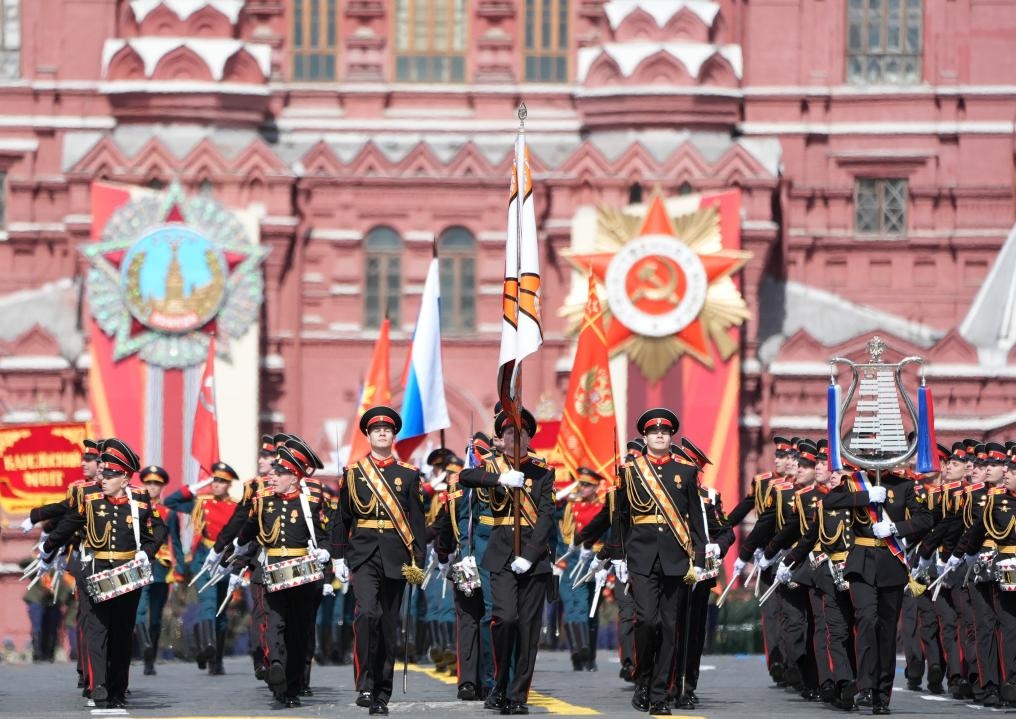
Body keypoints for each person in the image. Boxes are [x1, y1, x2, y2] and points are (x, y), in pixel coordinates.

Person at [38, 438, 166, 709]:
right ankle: (98, 686)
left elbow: (158, 530)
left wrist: (148, 551)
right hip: (94, 572)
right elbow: (68, 523)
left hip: (127, 575)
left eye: (110, 474)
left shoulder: (140, 500)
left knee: (121, 633)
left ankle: (118, 689)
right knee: (97, 631)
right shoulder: (89, 497)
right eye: (103, 472)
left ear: (125, 477)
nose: (103, 478)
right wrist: (48, 548)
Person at [456, 406, 555, 716]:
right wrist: (500, 479)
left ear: (528, 438)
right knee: (504, 619)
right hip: (499, 554)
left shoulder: (542, 471)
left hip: (532, 557)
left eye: (522, 433)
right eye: (510, 433)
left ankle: (517, 695)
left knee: (528, 628)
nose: (516, 438)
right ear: (501, 438)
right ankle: (499, 683)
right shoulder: (491, 466)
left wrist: (529, 556)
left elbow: (546, 518)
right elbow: (465, 476)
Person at [611, 408, 706, 716]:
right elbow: (621, 517)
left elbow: (696, 520)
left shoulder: (687, 472)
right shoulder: (630, 471)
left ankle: (659, 695)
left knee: (669, 627)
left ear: (670, 436)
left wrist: (701, 557)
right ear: (645, 437)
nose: (660, 436)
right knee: (647, 621)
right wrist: (617, 555)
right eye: (654, 433)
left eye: (665, 432)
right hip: (640, 556)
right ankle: (643, 679)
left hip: (675, 557)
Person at [821, 462, 933, 714]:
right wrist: (865, 496)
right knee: (867, 621)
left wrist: (895, 528)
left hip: (891, 562)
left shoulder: (903, 485)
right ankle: (866, 687)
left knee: (885, 630)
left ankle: (882, 695)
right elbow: (829, 503)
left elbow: (925, 518)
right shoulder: (853, 482)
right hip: (861, 561)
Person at [336, 406, 426, 716]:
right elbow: (342, 517)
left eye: (387, 430)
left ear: (393, 435)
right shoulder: (353, 473)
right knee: (367, 615)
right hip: (363, 554)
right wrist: (336, 557)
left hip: (397, 556)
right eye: (376, 430)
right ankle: (364, 683)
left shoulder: (409, 474)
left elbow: (417, 521)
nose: (382, 433)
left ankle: (381, 693)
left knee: (388, 626)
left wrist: (420, 560)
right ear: (368, 435)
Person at [234, 443, 333, 708]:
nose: (273, 477)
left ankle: (292, 685)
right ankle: (275, 666)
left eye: (280, 473)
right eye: (273, 472)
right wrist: (236, 552)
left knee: (298, 631)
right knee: (272, 623)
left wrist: (325, 554)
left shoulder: (310, 503)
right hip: (270, 572)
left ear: (294, 477)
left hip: (303, 576)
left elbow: (324, 535)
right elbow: (248, 531)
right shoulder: (263, 501)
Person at [164, 460, 240, 674]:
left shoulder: (236, 506)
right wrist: (195, 487)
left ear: (229, 484)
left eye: (221, 481)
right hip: (204, 557)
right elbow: (170, 501)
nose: (216, 485)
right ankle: (207, 646)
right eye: (214, 480)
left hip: (226, 559)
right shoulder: (201, 502)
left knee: (221, 611)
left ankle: (217, 660)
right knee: (208, 603)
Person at [134, 465, 183, 675]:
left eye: (156, 484)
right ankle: (144, 646)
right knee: (138, 613)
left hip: (161, 569)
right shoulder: (134, 508)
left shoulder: (169, 513)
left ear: (161, 487)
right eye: (149, 483)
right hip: (138, 566)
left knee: (155, 618)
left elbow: (177, 544)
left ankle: (150, 659)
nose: (152, 487)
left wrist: (180, 569)